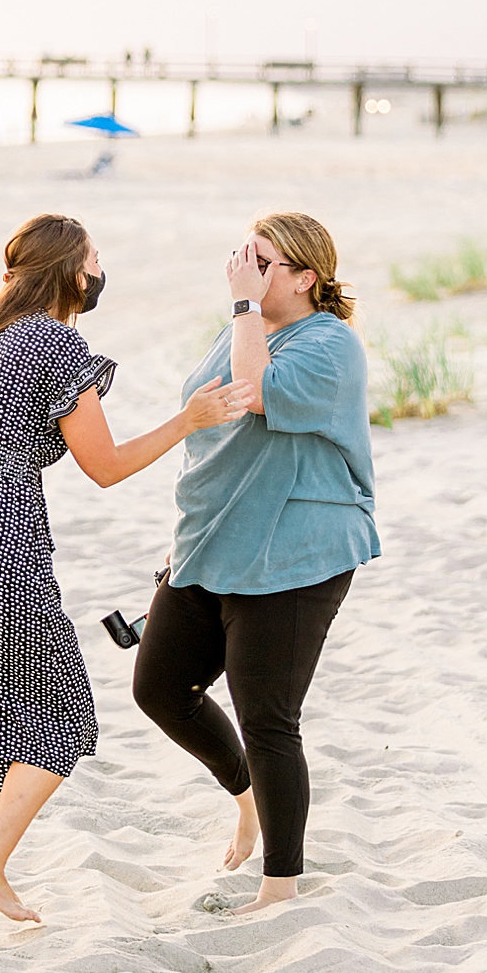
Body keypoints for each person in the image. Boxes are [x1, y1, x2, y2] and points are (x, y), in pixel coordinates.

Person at [0, 213, 251, 930]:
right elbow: (105, 467)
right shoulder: (55, 341)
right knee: (62, 717)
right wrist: (189, 419)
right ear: (71, 271)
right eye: (96, 259)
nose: (100, 271)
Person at [132, 211, 380, 916]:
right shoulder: (240, 329)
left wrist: (243, 305)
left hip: (295, 549)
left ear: (305, 278)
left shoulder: (331, 346)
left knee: (268, 716)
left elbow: (251, 393)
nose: (245, 269)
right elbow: (208, 417)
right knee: (159, 686)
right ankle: (247, 797)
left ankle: (281, 885)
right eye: (243, 256)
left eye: (262, 261)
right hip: (211, 540)